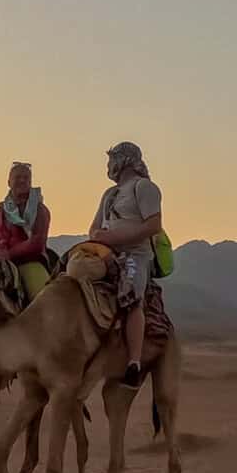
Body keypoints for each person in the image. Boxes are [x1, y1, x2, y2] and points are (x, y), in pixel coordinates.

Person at [88, 141, 164, 389]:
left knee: (131, 295)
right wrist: (100, 240)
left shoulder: (145, 188)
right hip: (105, 252)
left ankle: (133, 362)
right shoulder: (109, 195)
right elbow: (94, 227)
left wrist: (115, 238)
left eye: (111, 160)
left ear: (123, 161)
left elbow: (153, 226)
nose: (108, 166)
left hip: (134, 256)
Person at [0, 161, 52, 301]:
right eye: (18, 177)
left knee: (43, 300)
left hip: (31, 262)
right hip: (2, 262)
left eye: (26, 178)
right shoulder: (1, 210)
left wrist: (9, 253)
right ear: (9, 182)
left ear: (30, 182)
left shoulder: (39, 210)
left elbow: (37, 243)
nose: (22, 180)